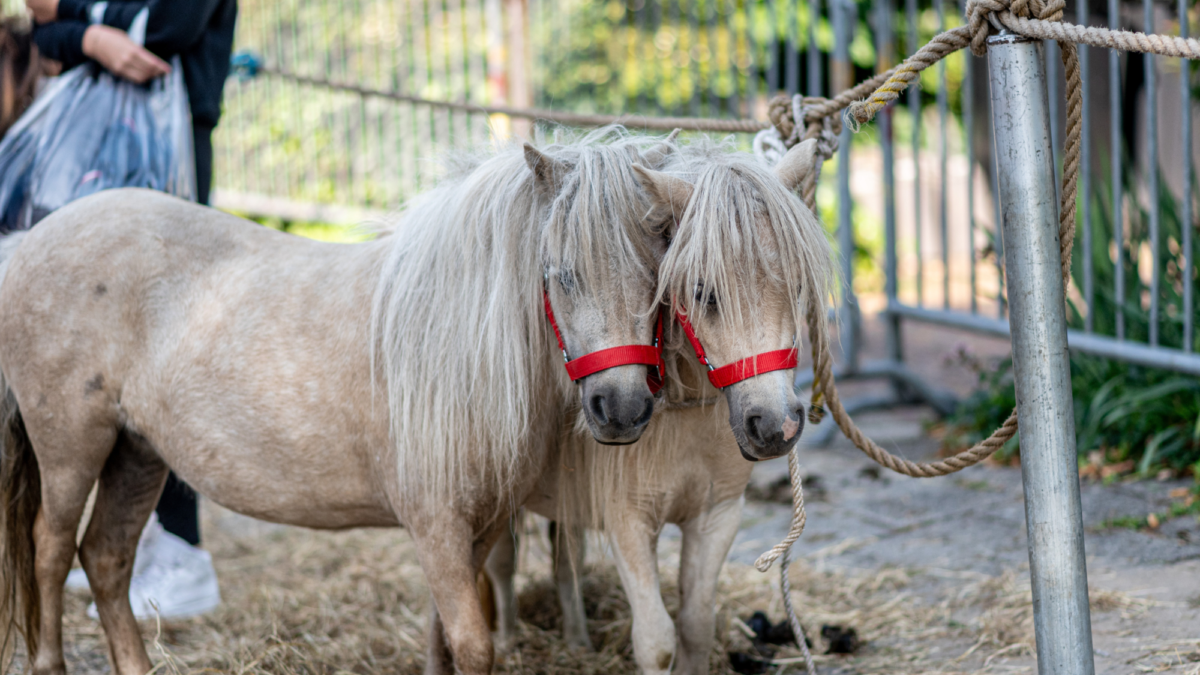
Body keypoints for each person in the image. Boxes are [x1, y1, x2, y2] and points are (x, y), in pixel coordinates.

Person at [16, 0, 238, 620]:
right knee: (108, 356)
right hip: (108, 146)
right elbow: (46, 32)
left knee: (167, 347)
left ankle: (185, 553)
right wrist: (92, 35)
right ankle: (134, 545)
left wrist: (81, 19)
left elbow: (168, 28)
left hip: (171, 147)